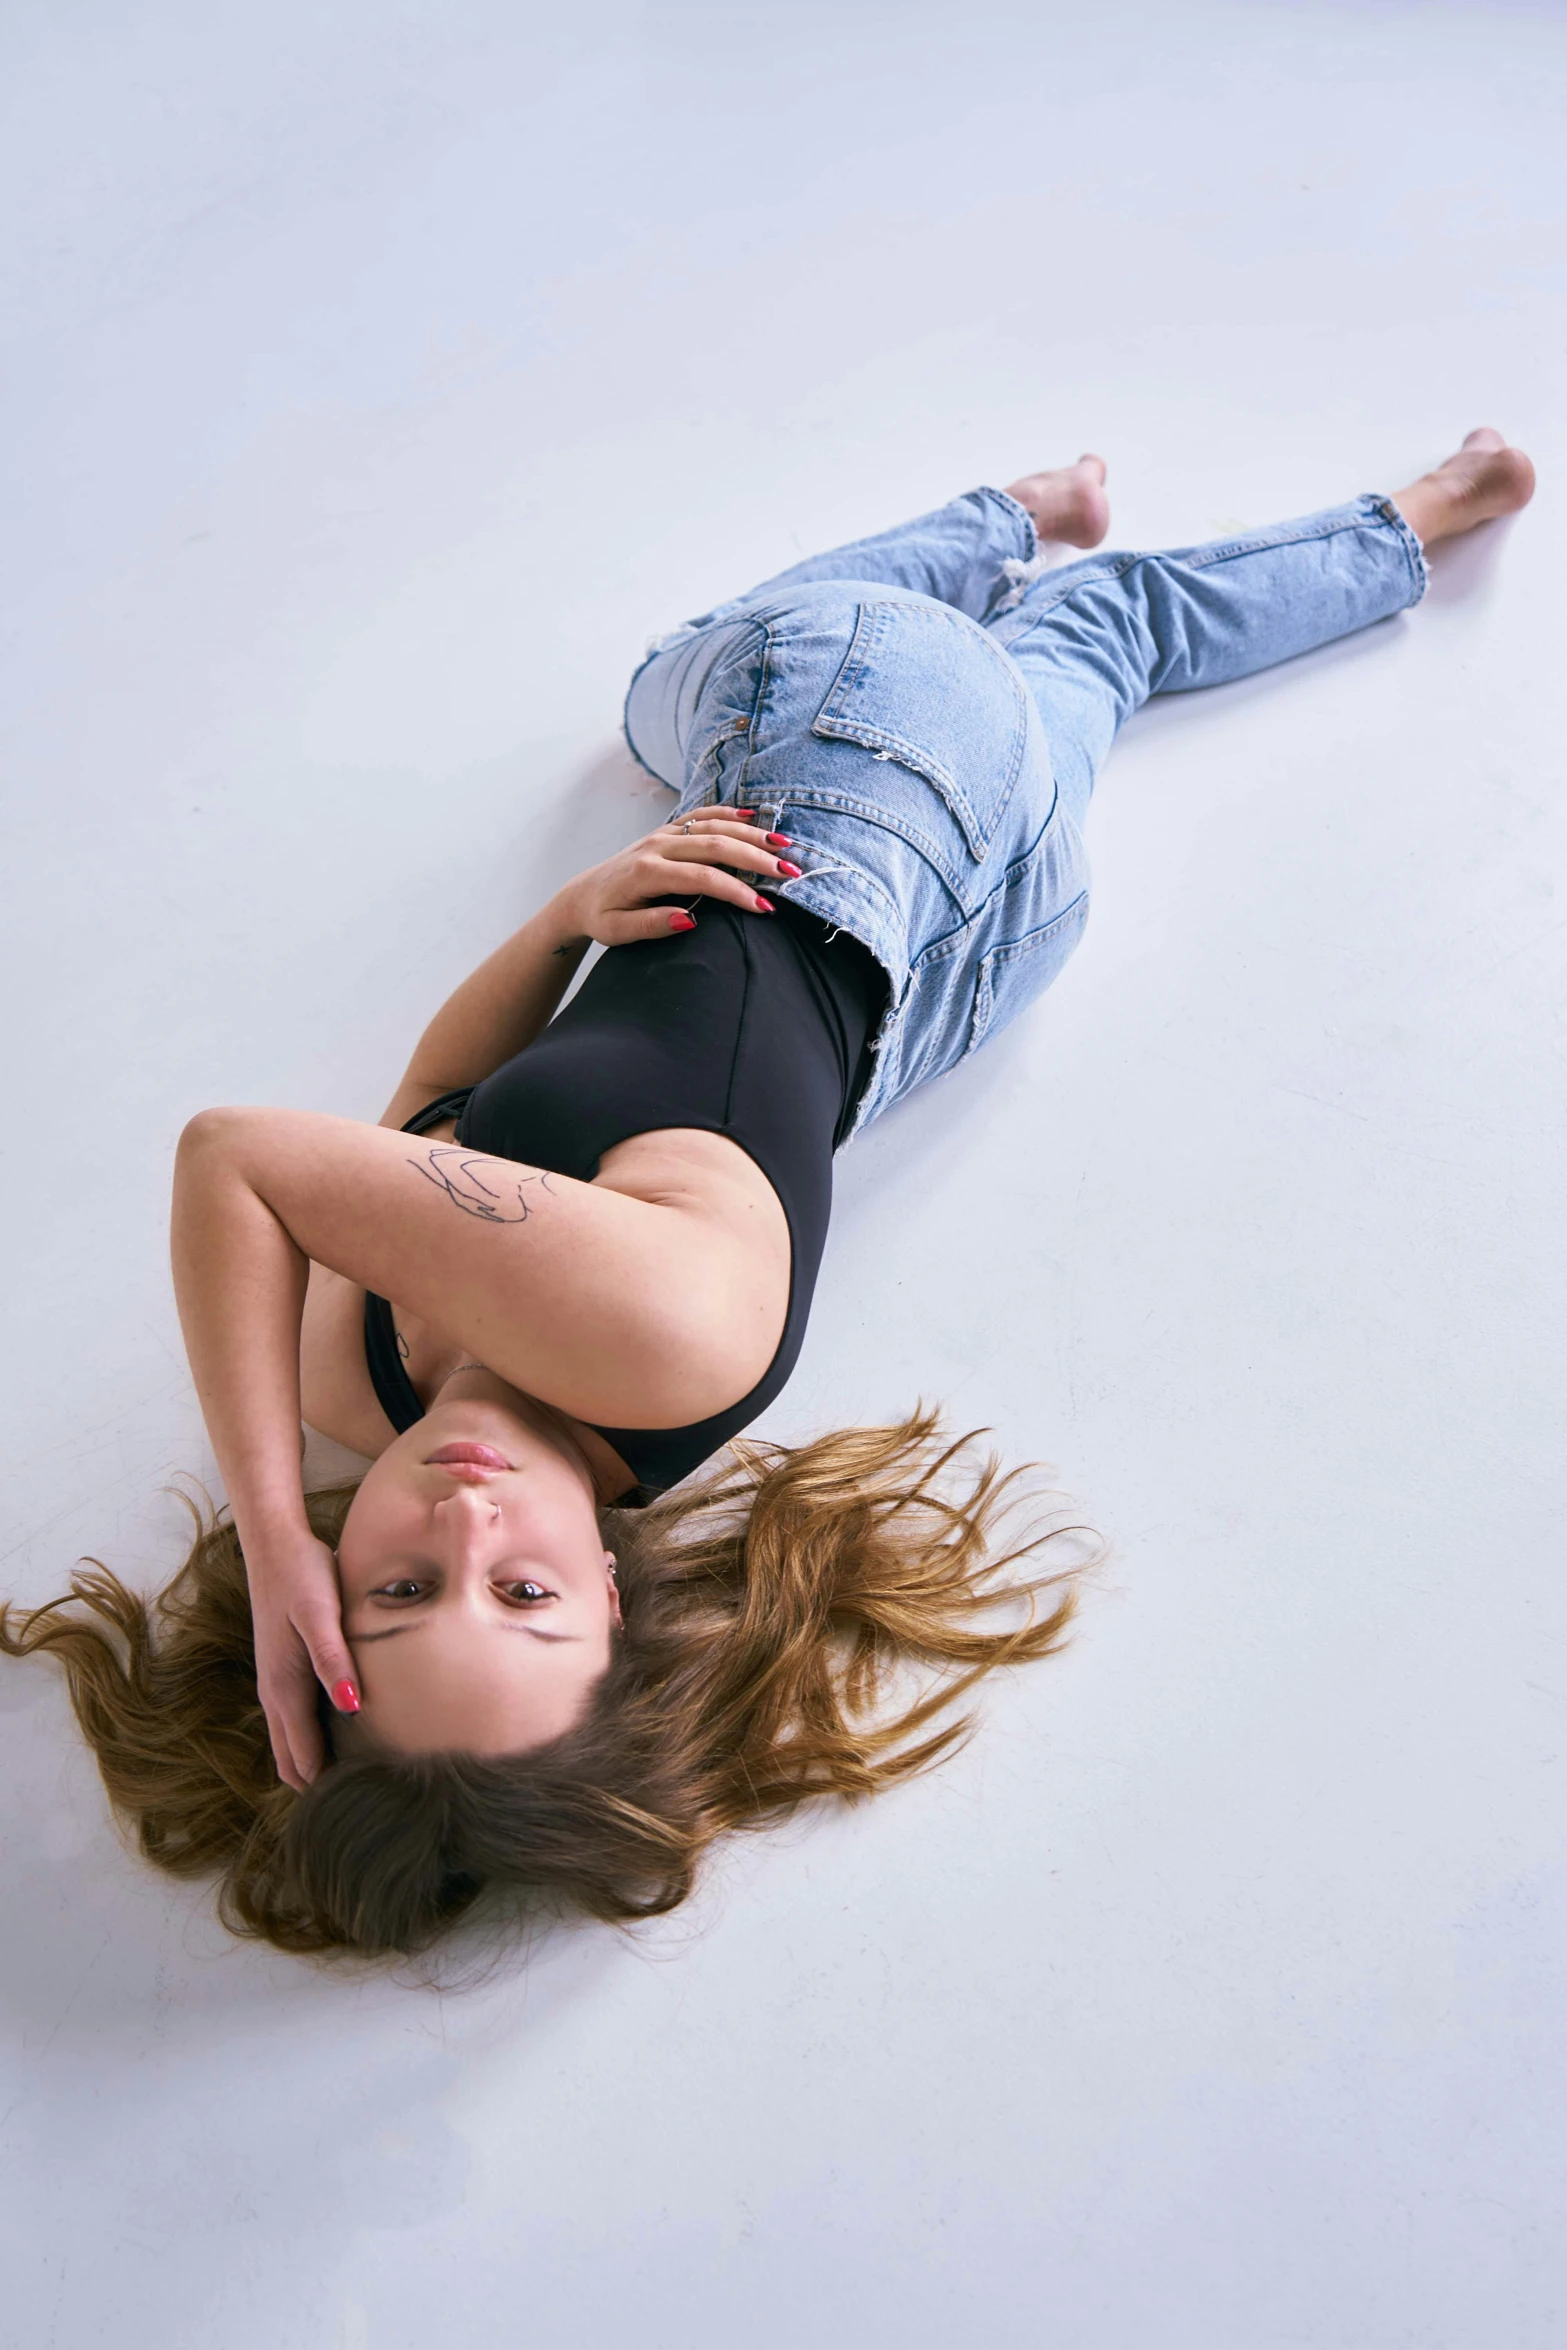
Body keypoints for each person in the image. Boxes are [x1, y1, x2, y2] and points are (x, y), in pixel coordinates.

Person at [1, 429, 1534, 1959]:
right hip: (858, 806)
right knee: (693, 674)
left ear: (327, 1602)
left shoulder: (356, 1380)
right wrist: (273, 1528)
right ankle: (1035, 513)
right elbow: (235, 1158)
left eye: (398, 1584)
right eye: (523, 1587)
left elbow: (429, 1096)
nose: (465, 1520)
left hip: (944, 974)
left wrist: (560, 921)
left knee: (1101, 637)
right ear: (609, 1588)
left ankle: (1307, 522)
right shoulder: (652, 1347)